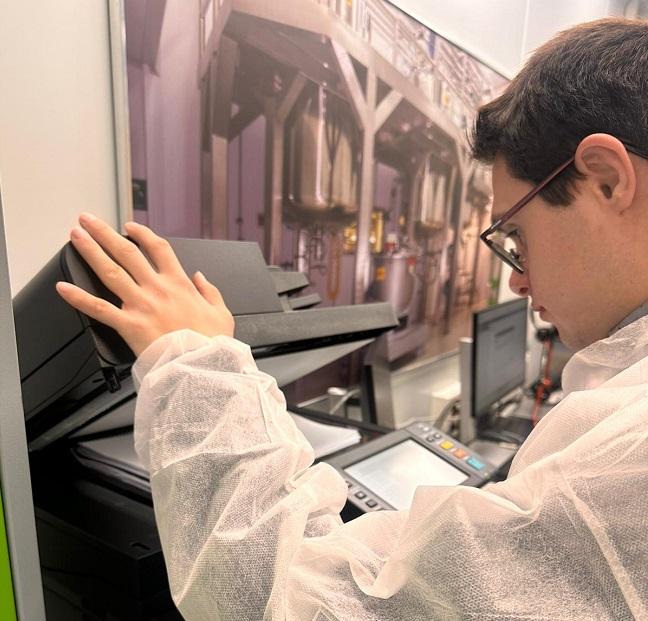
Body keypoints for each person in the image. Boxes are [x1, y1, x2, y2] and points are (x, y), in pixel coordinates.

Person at [55, 17, 648, 621]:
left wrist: (193, 360)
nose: (518, 278)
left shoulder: (628, 458)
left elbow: (280, 602)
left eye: (515, 236)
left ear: (604, 179)